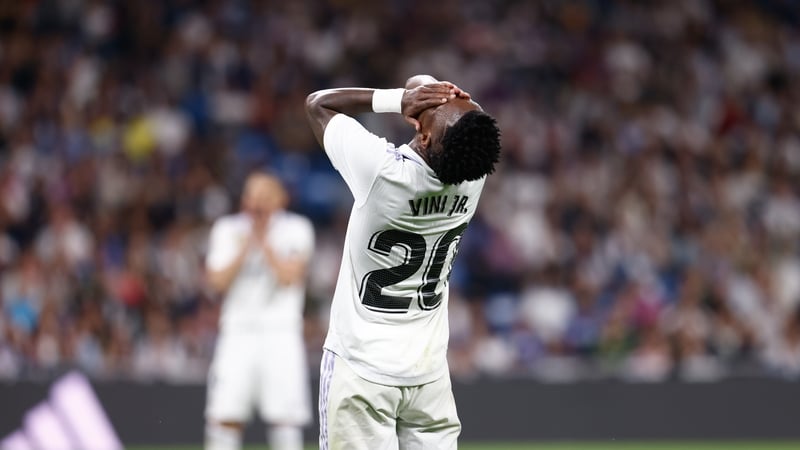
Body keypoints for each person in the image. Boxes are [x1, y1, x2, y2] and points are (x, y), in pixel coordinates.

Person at [305, 75, 501, 449]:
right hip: (427, 375)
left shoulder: (382, 171)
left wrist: (399, 100)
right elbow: (470, 130)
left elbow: (318, 104)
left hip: (362, 370)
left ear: (424, 136)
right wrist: (433, 97)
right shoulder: (472, 177)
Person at [204, 173, 314, 450]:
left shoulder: (297, 229)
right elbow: (216, 281)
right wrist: (246, 245)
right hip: (237, 332)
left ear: (281, 200)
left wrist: (263, 242)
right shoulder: (227, 229)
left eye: (264, 198)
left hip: (280, 332)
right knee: (225, 415)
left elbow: (289, 276)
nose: (257, 205)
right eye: (252, 197)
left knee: (285, 418)